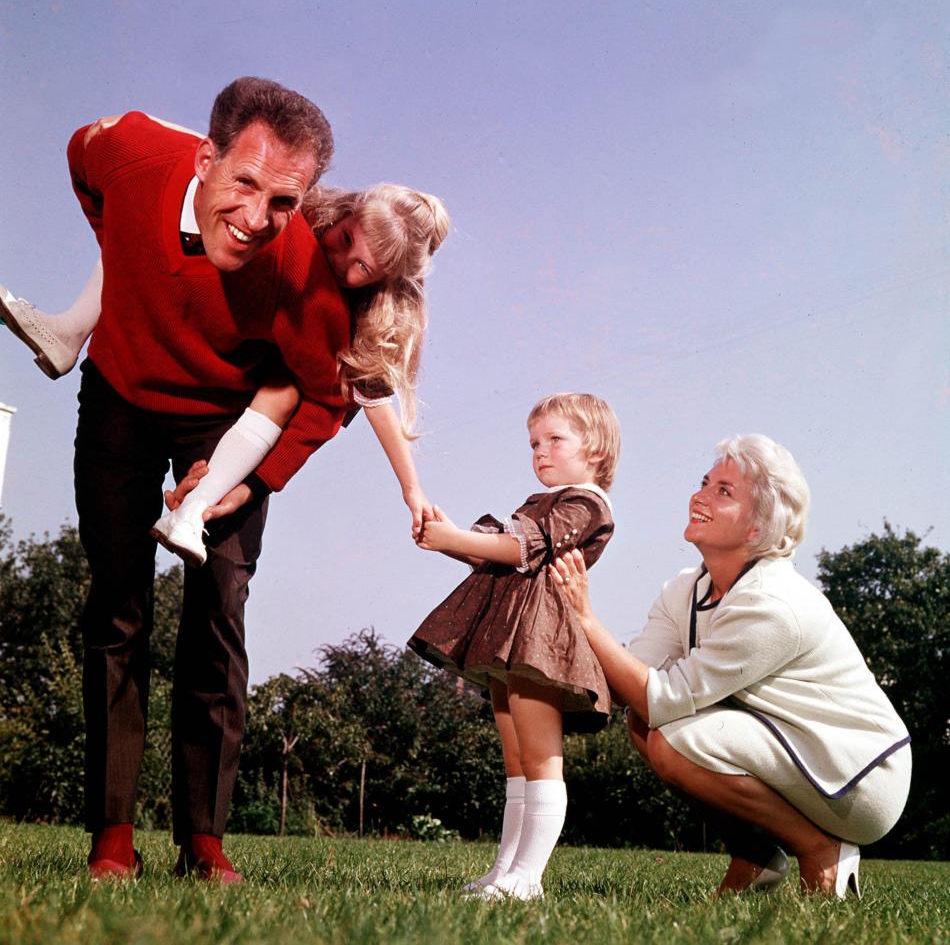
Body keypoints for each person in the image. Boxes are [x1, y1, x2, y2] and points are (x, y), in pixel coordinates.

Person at [5, 76, 353, 883]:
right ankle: (113, 835)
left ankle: (204, 838)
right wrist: (117, 249)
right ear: (204, 158)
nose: (259, 218)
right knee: (117, 605)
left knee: (219, 609)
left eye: (285, 202)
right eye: (245, 184)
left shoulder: (298, 270)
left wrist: (251, 475)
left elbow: (329, 393)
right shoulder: (130, 155)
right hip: (121, 397)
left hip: (225, 426)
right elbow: (79, 155)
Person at [1, 179, 449, 561]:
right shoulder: (300, 211)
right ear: (348, 212)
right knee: (163, 218)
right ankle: (71, 328)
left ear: (384, 281)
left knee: (286, 388)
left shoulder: (372, 314)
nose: (342, 260)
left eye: (363, 269)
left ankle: (191, 510)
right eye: (347, 239)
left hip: (252, 399)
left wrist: (411, 489)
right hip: (206, 333)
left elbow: (373, 399)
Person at [552, 434, 912, 898]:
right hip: (794, 751)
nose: (700, 496)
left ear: (757, 529)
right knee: (646, 726)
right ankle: (756, 855)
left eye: (724, 491)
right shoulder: (684, 589)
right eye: (705, 482)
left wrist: (584, 616)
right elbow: (631, 680)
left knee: (670, 735)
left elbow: (662, 699)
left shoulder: (773, 601)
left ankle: (821, 848)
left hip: (859, 778)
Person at [409, 393, 621, 900]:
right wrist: (452, 536)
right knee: (517, 760)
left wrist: (454, 538)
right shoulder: (539, 501)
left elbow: (517, 547)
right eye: (533, 443)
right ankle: (505, 872)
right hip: (511, 634)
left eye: (555, 440)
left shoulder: (586, 503)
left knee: (541, 757)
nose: (540, 452)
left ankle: (528, 879)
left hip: (539, 637)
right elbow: (498, 557)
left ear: (593, 448)